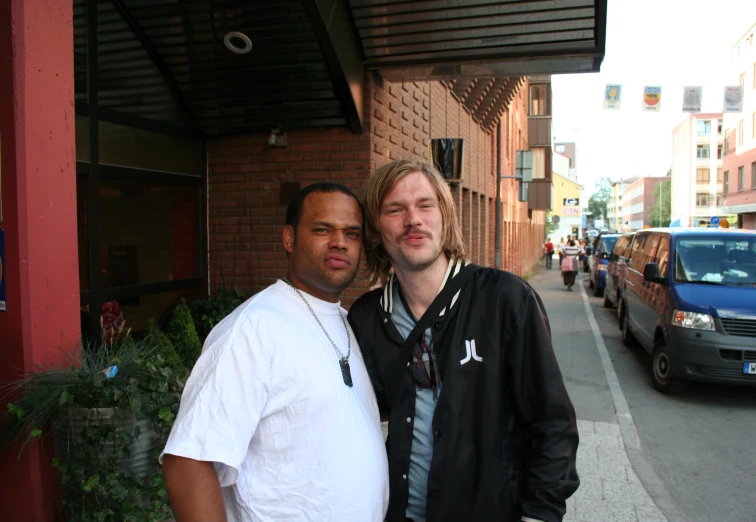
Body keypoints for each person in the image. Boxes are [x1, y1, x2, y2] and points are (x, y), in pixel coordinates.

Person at [348, 160, 579, 522]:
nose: (413, 219)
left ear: (445, 215)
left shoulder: (505, 300)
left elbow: (552, 423)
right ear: (376, 229)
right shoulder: (367, 318)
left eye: (425, 205)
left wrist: (541, 513)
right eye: (395, 209)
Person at [161, 182, 389, 522]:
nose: (340, 242)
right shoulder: (253, 329)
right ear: (289, 238)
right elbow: (189, 460)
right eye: (323, 229)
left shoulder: (348, 323)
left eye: (352, 233)